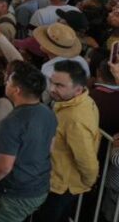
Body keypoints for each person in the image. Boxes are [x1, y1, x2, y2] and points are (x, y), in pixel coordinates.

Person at [0, 61, 57, 222]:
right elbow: (50, 148)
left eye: (9, 80)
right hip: (39, 188)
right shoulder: (48, 113)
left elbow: (3, 167)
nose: (6, 83)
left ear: (16, 90)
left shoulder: (11, 123)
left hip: (14, 195)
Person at [34, 60, 100, 222]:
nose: (52, 88)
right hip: (58, 180)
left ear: (78, 89)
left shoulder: (74, 118)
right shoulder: (82, 101)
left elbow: (86, 159)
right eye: (52, 82)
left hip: (61, 186)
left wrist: (87, 182)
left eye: (60, 85)